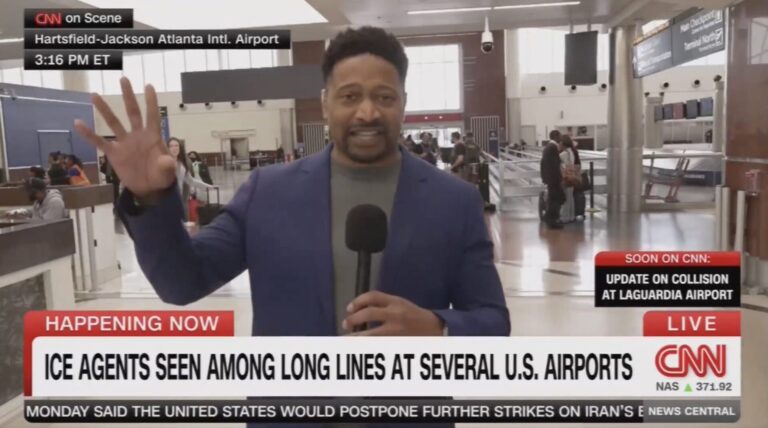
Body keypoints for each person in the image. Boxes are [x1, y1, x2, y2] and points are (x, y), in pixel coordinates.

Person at [74, 26, 508, 348]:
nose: (368, 112)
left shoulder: (455, 202)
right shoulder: (268, 192)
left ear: (404, 104)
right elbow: (182, 283)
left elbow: (494, 321)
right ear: (324, 104)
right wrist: (151, 199)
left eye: (385, 97)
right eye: (350, 96)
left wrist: (437, 326)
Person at [168, 138, 213, 211]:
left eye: (176, 146)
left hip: (179, 199)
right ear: (167, 148)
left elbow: (190, 180)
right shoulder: (164, 164)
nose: (174, 148)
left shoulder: (181, 164)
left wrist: (208, 186)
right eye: (171, 146)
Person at [540, 130, 564, 229]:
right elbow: (555, 165)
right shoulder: (553, 147)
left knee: (555, 198)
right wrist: (559, 178)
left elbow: (543, 163)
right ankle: (551, 220)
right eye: (559, 135)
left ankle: (549, 218)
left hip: (550, 178)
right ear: (555, 136)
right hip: (553, 179)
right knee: (556, 199)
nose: (561, 138)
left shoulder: (548, 147)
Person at [559, 135, 580, 223]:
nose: (559, 144)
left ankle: (564, 217)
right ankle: (571, 216)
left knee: (566, 197)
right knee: (571, 197)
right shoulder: (572, 151)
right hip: (572, 176)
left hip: (565, 176)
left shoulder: (563, 154)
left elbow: (559, 163)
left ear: (563, 143)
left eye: (560, 142)